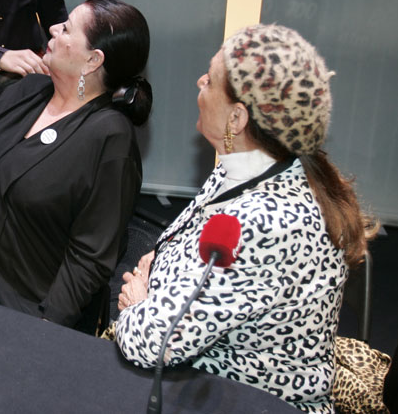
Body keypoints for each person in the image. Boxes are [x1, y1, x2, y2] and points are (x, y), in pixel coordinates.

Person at [115, 24, 374, 413]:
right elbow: (174, 250)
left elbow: (150, 343)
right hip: (209, 380)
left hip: (252, 401)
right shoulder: (249, 169)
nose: (200, 82)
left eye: (210, 79)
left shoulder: (265, 223)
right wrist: (160, 281)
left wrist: (139, 302)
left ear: (237, 118)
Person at [0, 0, 152, 330]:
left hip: (14, 305)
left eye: (66, 28)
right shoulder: (30, 89)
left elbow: (90, 257)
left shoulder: (110, 138)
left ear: (92, 60)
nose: (53, 29)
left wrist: (45, 327)